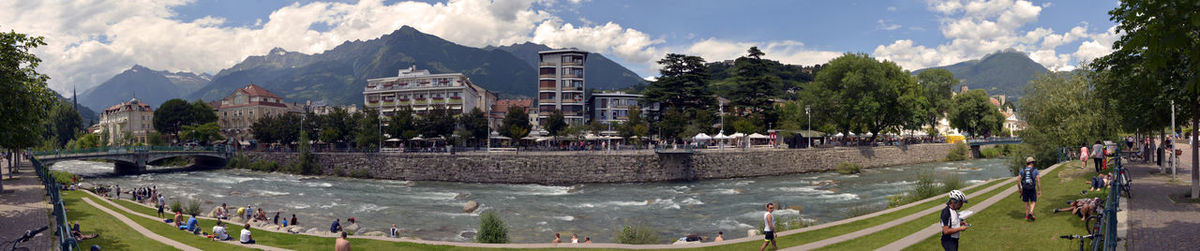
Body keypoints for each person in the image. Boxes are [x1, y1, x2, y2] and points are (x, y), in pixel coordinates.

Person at [1018, 157, 1041, 221]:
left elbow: (1017, 180)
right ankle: (1031, 212)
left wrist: (1020, 189)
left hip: (1024, 188)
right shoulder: (1035, 170)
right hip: (1032, 188)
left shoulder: (1022, 170)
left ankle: (1026, 215)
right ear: (1032, 163)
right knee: (1033, 201)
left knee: (1026, 201)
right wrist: (1039, 190)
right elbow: (1038, 181)